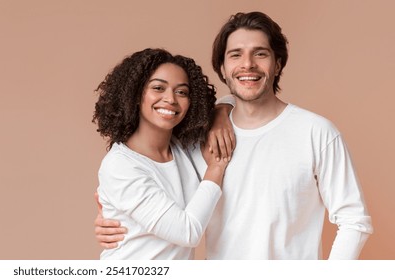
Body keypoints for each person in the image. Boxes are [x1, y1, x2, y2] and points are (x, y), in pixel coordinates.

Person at [94, 11, 373, 260]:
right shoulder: (197, 141)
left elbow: (354, 221)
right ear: (223, 69)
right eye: (235, 55)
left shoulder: (316, 132)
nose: (248, 64)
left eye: (260, 54)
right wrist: (114, 218)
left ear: (277, 64)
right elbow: (156, 197)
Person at [93, 48, 230, 259]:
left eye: (182, 92)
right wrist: (216, 168)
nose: (171, 99)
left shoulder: (183, 149)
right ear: (137, 94)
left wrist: (221, 112)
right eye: (158, 88)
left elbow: (238, 98)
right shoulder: (121, 165)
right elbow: (188, 232)